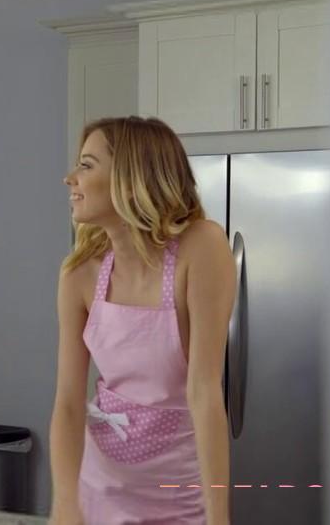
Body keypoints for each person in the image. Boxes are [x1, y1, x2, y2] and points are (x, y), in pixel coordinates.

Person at [48, 116, 234, 525]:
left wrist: (219, 518)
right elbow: (68, 403)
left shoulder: (201, 247)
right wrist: (64, 505)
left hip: (181, 494)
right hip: (100, 489)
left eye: (86, 165)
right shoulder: (78, 274)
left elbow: (204, 392)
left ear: (131, 181)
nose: (70, 178)